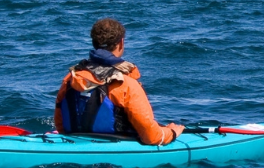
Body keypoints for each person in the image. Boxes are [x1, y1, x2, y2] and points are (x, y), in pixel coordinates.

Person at [53, 18, 184, 145]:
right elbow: (151, 137)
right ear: (121, 43)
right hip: (118, 151)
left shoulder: (71, 78)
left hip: (74, 143)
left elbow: (60, 124)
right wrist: (171, 132)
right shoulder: (126, 84)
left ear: (94, 43)